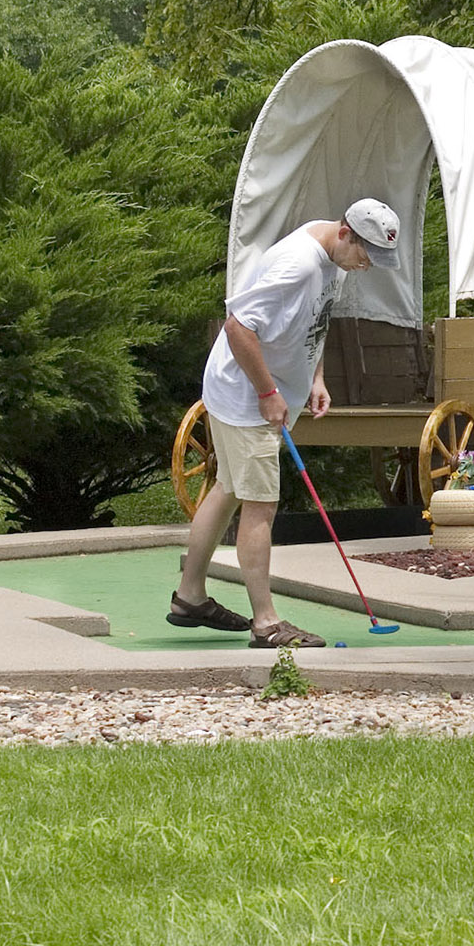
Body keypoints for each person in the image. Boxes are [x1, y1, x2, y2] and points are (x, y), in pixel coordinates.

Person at [170, 198, 402, 649]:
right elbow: (239, 326)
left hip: (248, 392)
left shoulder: (331, 251)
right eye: (366, 253)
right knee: (261, 505)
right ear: (346, 233)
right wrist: (268, 393)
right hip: (244, 399)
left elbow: (317, 318)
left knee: (229, 489)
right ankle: (267, 624)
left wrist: (315, 377)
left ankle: (190, 597)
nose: (367, 265)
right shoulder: (297, 265)